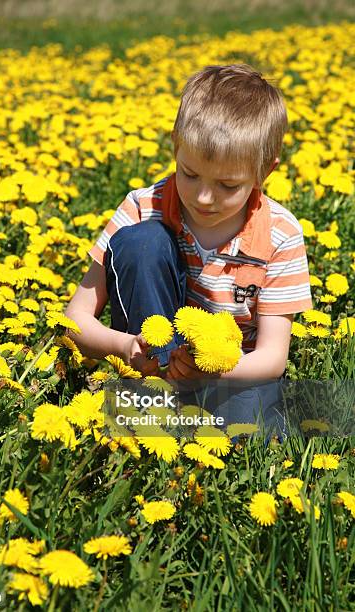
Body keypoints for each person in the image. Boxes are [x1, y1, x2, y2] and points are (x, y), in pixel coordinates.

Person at [65, 64, 313, 436]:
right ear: (175, 146)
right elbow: (75, 321)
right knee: (141, 242)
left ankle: (169, 421)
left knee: (254, 424)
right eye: (190, 174)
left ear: (265, 172)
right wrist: (126, 346)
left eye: (228, 185)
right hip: (149, 365)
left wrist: (212, 370)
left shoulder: (279, 233)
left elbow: (272, 359)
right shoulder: (141, 206)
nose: (203, 198)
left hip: (230, 373)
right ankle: (153, 403)